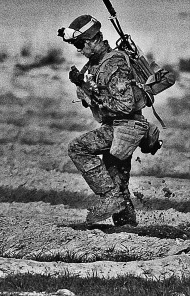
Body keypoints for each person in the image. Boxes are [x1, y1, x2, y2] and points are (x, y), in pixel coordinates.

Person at [58, 15, 151, 226]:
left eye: (81, 44)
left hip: (125, 127)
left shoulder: (114, 65)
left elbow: (125, 105)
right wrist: (82, 85)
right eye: (76, 45)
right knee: (118, 183)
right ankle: (127, 230)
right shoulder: (95, 64)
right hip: (118, 127)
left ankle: (109, 197)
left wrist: (92, 91)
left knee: (78, 148)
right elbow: (94, 99)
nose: (79, 49)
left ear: (93, 40)